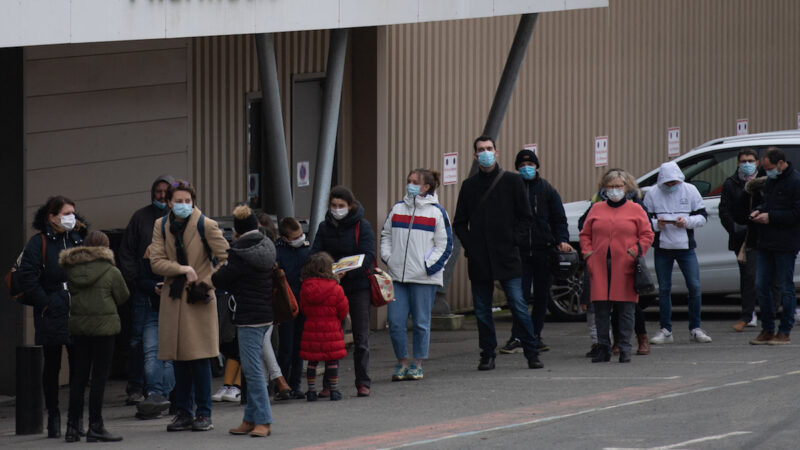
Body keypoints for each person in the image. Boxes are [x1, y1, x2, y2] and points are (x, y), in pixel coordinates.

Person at [452, 135, 543, 371]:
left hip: (507, 255)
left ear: (497, 152)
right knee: (482, 309)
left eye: (489, 148)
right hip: (480, 258)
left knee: (518, 305)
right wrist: (471, 244)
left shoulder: (512, 182)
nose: (485, 153)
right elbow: (459, 222)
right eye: (481, 149)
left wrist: (514, 240)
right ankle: (487, 354)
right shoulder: (469, 186)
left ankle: (532, 352)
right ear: (475, 155)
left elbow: (526, 217)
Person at [148, 180, 229, 432]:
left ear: (193, 201)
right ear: (169, 202)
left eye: (187, 201)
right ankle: (183, 411)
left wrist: (206, 283)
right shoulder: (161, 225)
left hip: (199, 298)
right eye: (178, 201)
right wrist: (183, 269)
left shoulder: (206, 224)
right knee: (178, 358)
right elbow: (156, 261)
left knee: (200, 358)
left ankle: (203, 413)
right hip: (173, 298)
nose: (183, 205)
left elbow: (227, 259)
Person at [17, 195, 87, 438]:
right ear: (52, 216)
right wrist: (45, 303)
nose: (71, 218)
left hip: (77, 310)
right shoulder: (39, 243)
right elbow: (27, 275)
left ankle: (75, 419)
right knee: (52, 366)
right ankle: (54, 416)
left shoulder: (78, 238)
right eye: (66, 213)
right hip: (52, 310)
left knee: (80, 367)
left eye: (73, 213)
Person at [380, 168, 453, 381]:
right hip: (397, 277)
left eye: (414, 181)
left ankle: (417, 363)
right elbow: (386, 235)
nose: (409, 184)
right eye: (409, 180)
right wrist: (389, 258)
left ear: (426, 187)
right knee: (395, 321)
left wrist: (428, 267)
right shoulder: (397, 209)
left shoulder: (437, 213)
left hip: (424, 278)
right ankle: (402, 361)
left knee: (421, 322)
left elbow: (445, 245)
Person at [212, 204, 276, 437]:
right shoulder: (267, 245)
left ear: (237, 230)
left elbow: (221, 279)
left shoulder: (239, 252)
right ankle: (249, 419)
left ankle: (264, 421)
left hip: (248, 316)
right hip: (265, 314)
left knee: (253, 370)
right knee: (253, 367)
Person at [500, 149, 572, 354]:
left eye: (529, 165)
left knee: (541, 297)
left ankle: (535, 335)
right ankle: (517, 336)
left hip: (543, 251)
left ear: (536, 166)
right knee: (518, 296)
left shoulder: (547, 190)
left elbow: (559, 219)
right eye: (522, 166)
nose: (526, 169)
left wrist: (562, 240)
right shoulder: (511, 189)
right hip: (519, 252)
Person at [60, 231, 129, 442]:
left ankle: (72, 427)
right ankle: (95, 426)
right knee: (99, 378)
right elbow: (123, 296)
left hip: (79, 327)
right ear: (106, 248)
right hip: (104, 329)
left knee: (78, 378)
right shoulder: (111, 270)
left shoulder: (70, 269)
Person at [579, 170, 654, 363]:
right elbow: (585, 234)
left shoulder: (635, 209)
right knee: (601, 309)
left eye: (618, 187)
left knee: (627, 309)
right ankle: (603, 347)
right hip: (600, 264)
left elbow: (647, 234)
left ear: (626, 188)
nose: (614, 191)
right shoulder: (596, 209)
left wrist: (635, 251)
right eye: (610, 187)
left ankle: (625, 348)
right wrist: (588, 253)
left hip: (626, 264)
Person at [311, 186, 375, 397]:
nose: (337, 209)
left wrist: (349, 272)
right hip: (331, 285)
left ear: (350, 206)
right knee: (331, 335)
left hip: (357, 286)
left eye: (341, 206)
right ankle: (329, 384)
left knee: (360, 336)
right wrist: (328, 271)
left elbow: (368, 256)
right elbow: (315, 253)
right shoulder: (324, 226)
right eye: (334, 206)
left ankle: (363, 382)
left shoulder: (362, 226)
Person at [119, 175, 176, 409]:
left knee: (167, 345)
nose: (161, 196)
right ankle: (137, 386)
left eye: (166, 192)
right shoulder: (140, 218)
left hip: (171, 291)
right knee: (139, 340)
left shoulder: (179, 219)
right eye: (158, 191)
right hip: (144, 289)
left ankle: (164, 391)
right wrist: (137, 282)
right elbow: (128, 253)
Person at [643, 161, 711, 344]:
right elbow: (643, 220)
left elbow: (703, 216)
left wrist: (687, 222)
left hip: (685, 248)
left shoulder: (690, 190)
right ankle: (665, 329)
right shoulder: (652, 194)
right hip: (663, 248)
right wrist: (658, 224)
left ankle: (695, 328)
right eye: (668, 183)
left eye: (674, 182)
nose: (671, 186)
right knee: (664, 289)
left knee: (694, 287)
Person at [748, 147, 800, 345]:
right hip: (766, 241)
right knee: (761, 285)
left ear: (780, 164)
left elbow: (796, 213)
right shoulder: (770, 181)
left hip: (786, 243)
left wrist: (771, 217)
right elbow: (766, 204)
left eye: (769, 167)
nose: (766, 171)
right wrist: (758, 211)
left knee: (786, 287)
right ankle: (767, 328)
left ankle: (784, 330)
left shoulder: (795, 181)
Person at [298, 252, 349, 402]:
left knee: (312, 362)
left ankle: (311, 391)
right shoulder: (336, 288)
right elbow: (343, 310)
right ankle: (333, 390)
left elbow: (304, 308)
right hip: (331, 329)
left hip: (311, 328)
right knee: (331, 361)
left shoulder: (305, 288)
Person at [719, 149, 760, 332]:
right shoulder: (731, 183)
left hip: (763, 235)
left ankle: (771, 310)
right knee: (747, 276)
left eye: (750, 160)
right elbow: (724, 210)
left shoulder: (765, 181)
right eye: (743, 161)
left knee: (768, 276)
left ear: (757, 163)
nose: (747, 164)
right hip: (742, 237)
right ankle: (748, 313)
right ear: (737, 163)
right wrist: (734, 228)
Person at [275, 217, 311, 400]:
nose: (300, 238)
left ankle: (296, 384)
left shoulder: (306, 249)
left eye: (300, 235)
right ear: (285, 238)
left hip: (302, 303)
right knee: (286, 347)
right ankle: (283, 384)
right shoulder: (278, 251)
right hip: (286, 305)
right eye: (295, 237)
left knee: (299, 346)